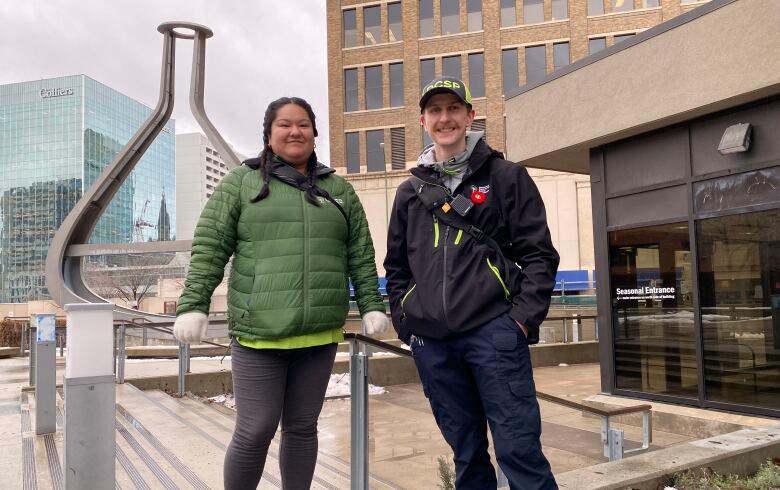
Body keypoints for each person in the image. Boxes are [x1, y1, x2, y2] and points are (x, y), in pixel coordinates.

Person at [173, 96, 389, 490]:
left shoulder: (338, 188)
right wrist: (193, 304)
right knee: (255, 429)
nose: (295, 131)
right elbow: (210, 246)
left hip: (319, 332)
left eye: (303, 124)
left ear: (314, 132)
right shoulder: (242, 182)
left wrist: (372, 303)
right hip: (260, 332)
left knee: (303, 428)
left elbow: (359, 251)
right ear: (269, 135)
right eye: (285, 124)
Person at [384, 77, 560, 489]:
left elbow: (538, 254)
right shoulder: (411, 192)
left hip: (494, 333)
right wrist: (407, 323)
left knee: (519, 450)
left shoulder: (505, 176)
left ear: (469, 116)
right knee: (467, 455)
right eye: (435, 111)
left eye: (453, 109)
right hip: (433, 342)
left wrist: (519, 321)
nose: (445, 118)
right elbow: (396, 267)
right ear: (423, 121)